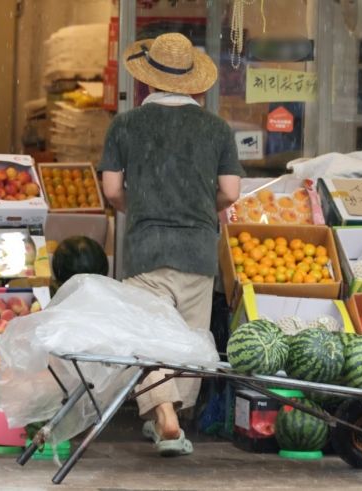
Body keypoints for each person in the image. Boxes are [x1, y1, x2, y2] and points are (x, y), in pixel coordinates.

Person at [99, 33, 244, 457]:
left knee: (148, 333)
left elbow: (111, 189)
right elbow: (231, 192)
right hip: (198, 248)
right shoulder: (216, 128)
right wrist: (200, 207)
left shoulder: (126, 124)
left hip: (147, 247)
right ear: (194, 84)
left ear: (145, 83)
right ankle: (172, 413)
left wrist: (139, 206)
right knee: (190, 337)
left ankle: (163, 411)